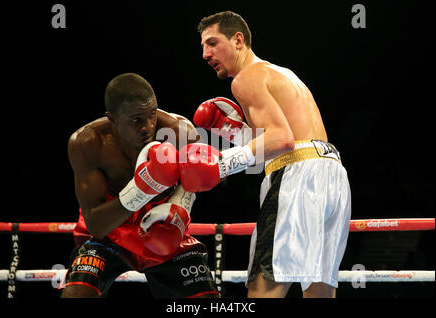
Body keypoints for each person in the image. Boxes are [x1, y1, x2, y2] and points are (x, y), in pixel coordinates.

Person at [180, 11, 351, 298]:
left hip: (297, 176)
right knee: (319, 290)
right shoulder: (282, 73)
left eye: (212, 43)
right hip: (332, 175)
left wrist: (223, 163)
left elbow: (281, 140)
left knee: (264, 284)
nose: (205, 54)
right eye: (202, 46)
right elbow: (289, 137)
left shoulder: (245, 79)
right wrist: (238, 134)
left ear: (238, 40)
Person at [60, 73, 219, 298]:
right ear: (112, 118)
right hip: (109, 232)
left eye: (152, 115)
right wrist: (140, 191)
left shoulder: (179, 133)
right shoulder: (88, 143)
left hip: (160, 225)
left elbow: (200, 177)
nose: (148, 127)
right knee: (76, 294)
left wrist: (178, 206)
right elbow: (96, 225)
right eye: (137, 120)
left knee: (208, 300)